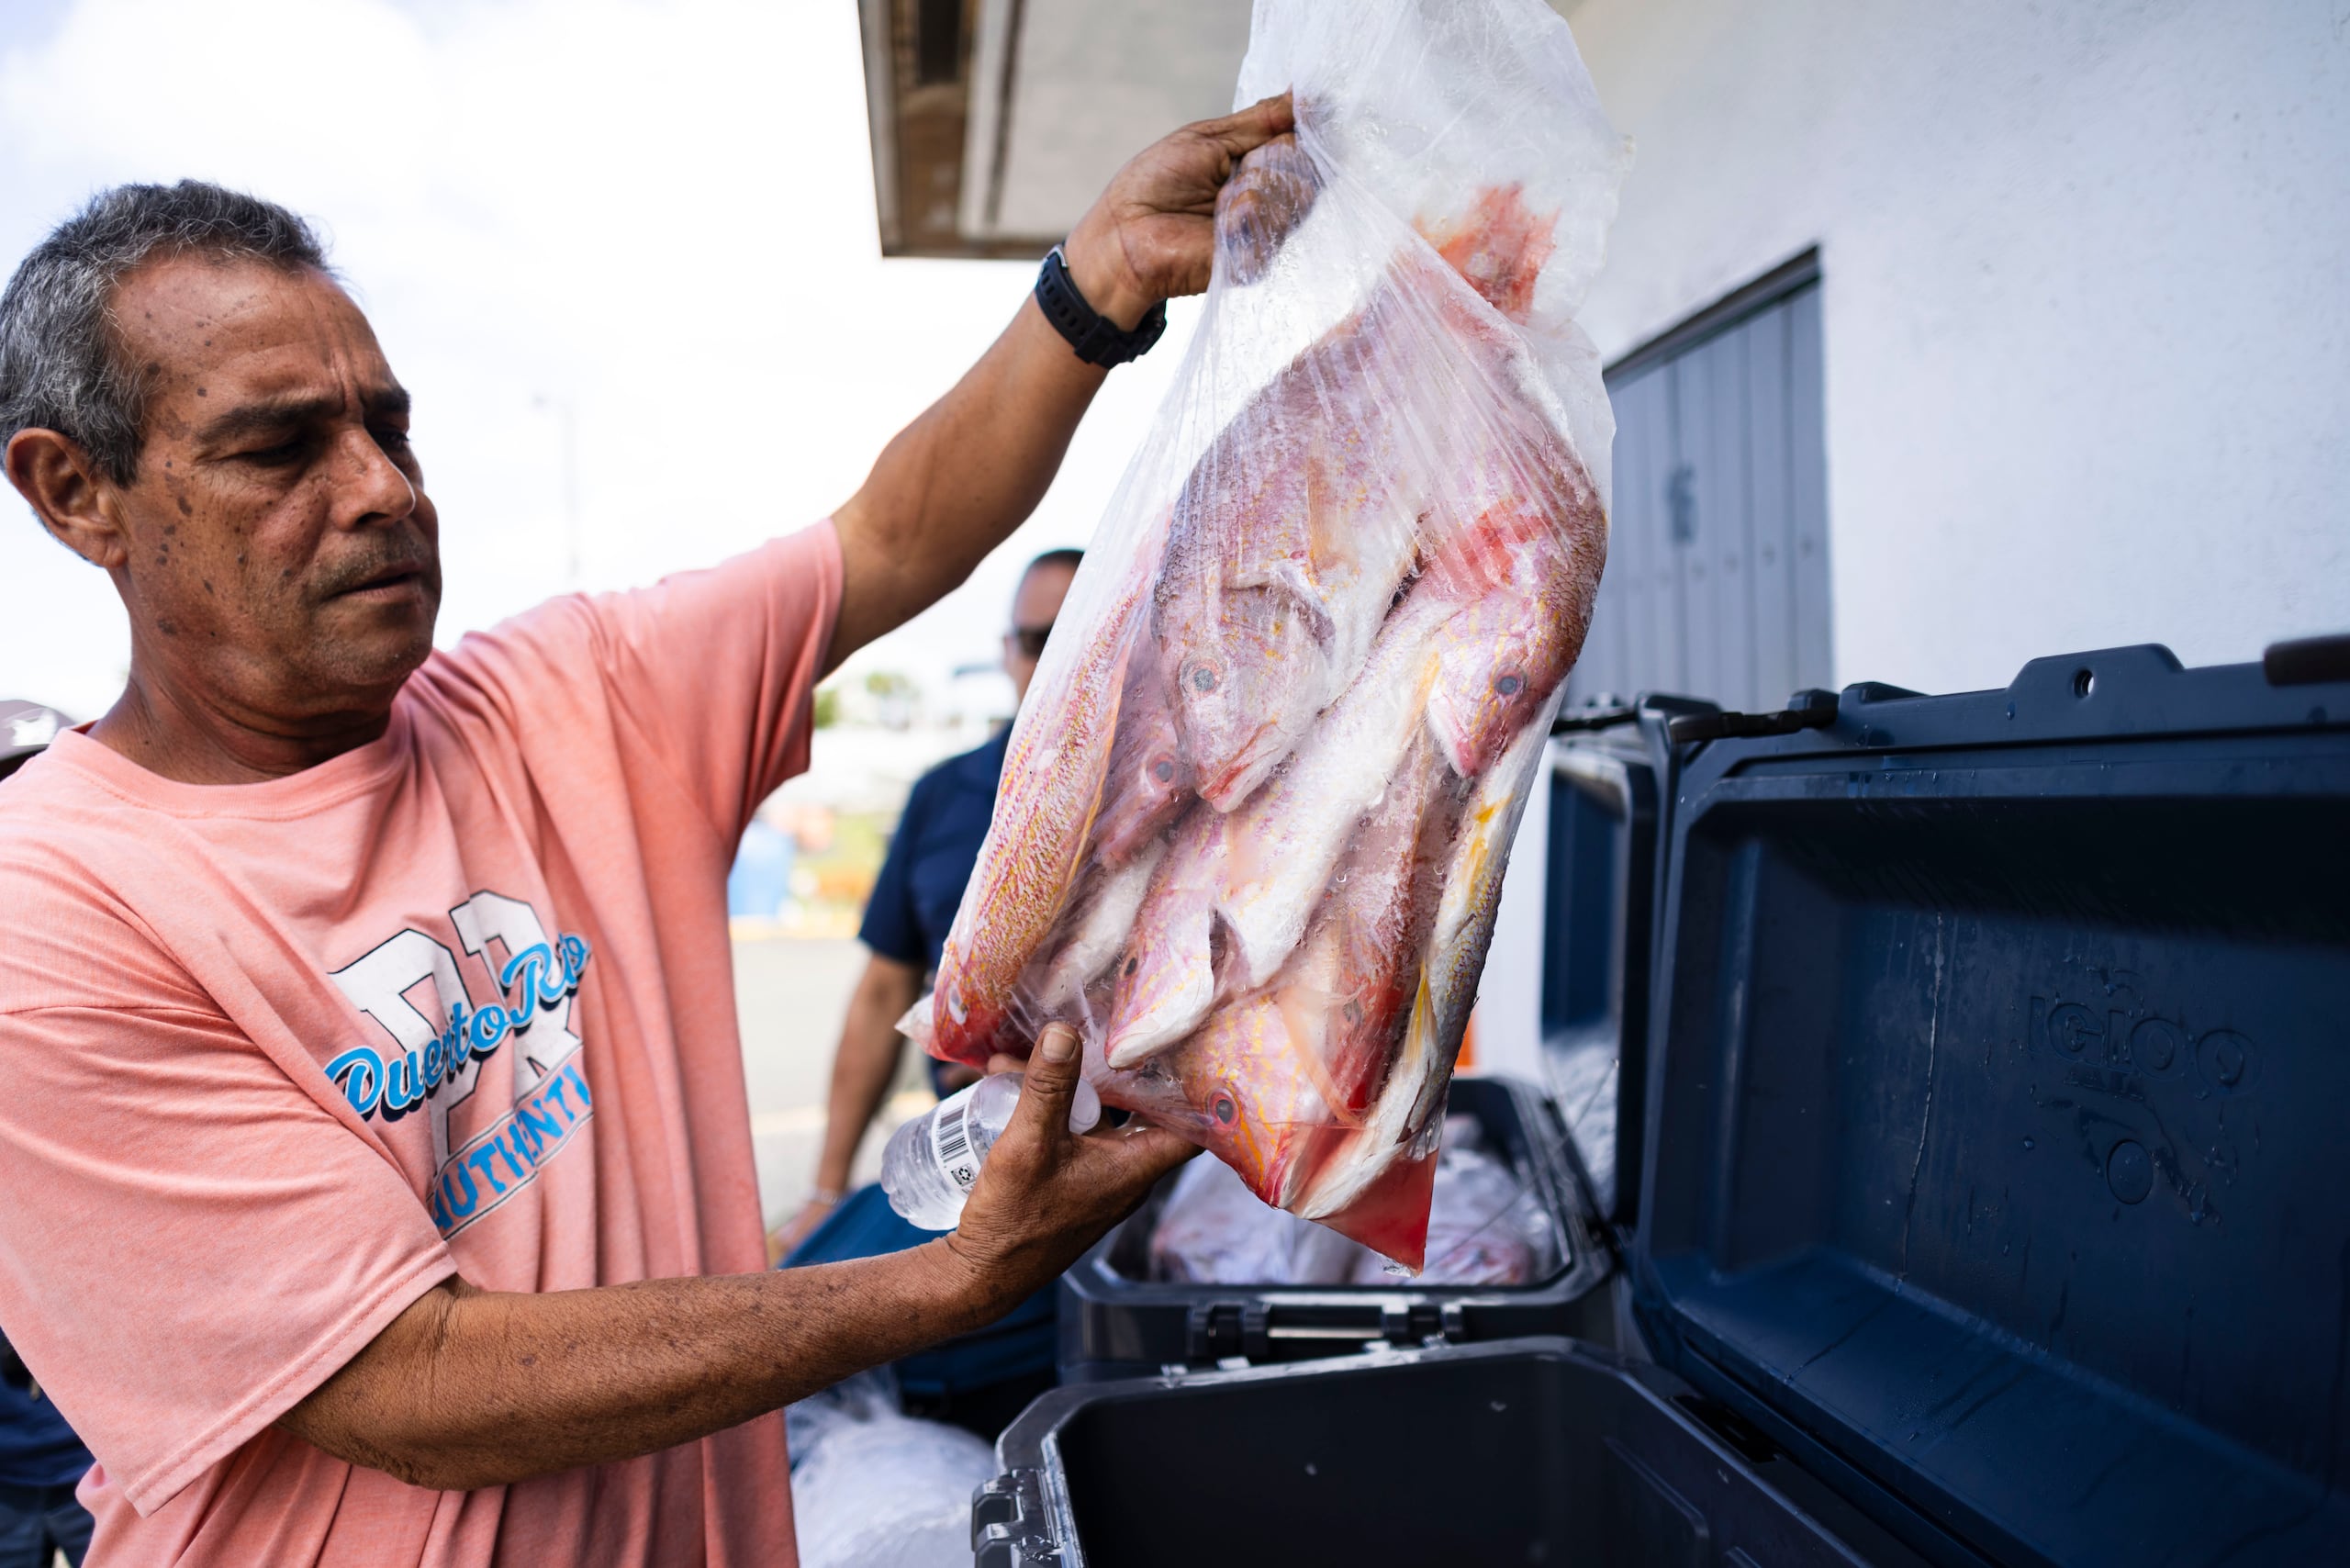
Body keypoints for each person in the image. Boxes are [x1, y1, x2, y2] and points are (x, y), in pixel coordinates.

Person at [0, 93, 1292, 1566]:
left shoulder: (568, 697)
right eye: (278, 449)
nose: (383, 492)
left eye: (389, 426)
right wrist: (942, 1284)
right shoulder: (47, 912)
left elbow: (887, 538)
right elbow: (403, 1380)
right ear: (74, 493)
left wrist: (1095, 283)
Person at [778, 547, 1081, 1253]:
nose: (1056, 662)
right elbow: (883, 990)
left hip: (1108, 1158)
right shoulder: (945, 794)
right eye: (1039, 641)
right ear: (1008, 651)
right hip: (969, 1156)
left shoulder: (1172, 793)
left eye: (1078, 638)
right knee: (807, 1276)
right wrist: (826, 1189)